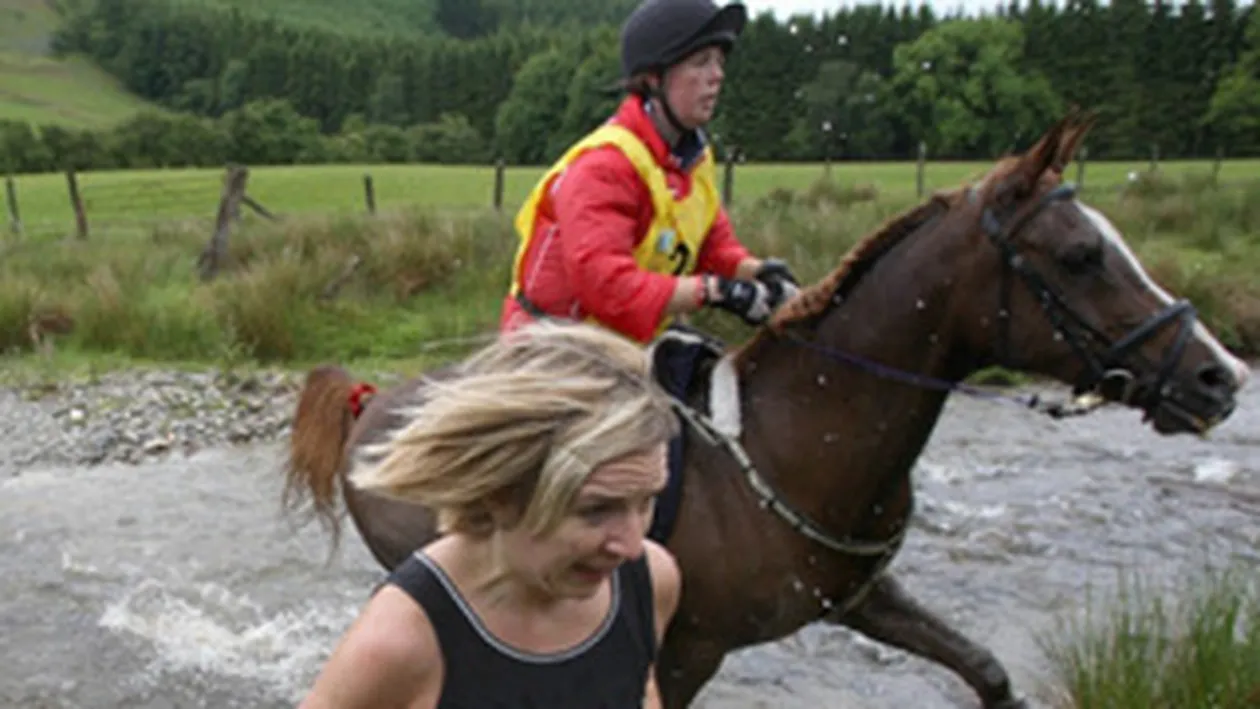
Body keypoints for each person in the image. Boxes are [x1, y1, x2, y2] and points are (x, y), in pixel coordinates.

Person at [297, 320, 684, 709]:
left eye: (647, 502)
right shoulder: (399, 642)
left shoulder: (651, 583)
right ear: (500, 495)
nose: (632, 546)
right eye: (595, 511)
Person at [500, 0, 801, 345]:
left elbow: (712, 248)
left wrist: (757, 273)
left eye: (719, 61)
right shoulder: (605, 167)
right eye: (701, 62)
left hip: (619, 345)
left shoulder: (693, 159)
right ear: (653, 79)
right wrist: (714, 291)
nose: (717, 75)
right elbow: (609, 289)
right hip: (551, 348)